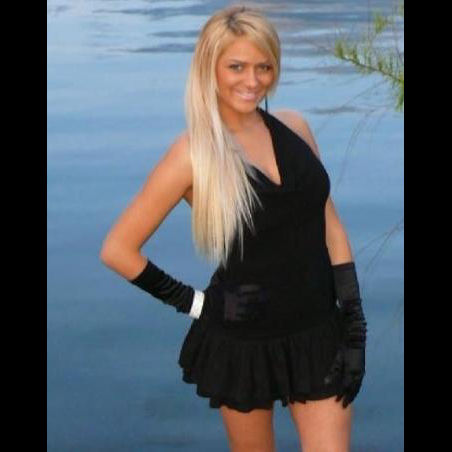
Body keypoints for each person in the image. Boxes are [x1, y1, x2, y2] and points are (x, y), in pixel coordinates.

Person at [100, 4, 367, 452]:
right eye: (237, 67)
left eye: (264, 66)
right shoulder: (192, 155)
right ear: (210, 68)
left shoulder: (296, 128)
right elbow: (117, 249)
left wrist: (354, 322)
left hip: (318, 328)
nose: (253, 80)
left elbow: (331, 226)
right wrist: (199, 304)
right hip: (244, 340)